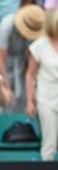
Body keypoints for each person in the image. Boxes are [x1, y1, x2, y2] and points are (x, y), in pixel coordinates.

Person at [0, 4, 45, 112]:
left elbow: (30, 60)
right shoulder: (7, 24)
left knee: (19, 95)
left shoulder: (36, 29)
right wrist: (6, 86)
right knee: (0, 94)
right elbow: (0, 59)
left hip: (17, 60)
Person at [26, 9, 58, 161]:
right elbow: (30, 74)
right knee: (49, 142)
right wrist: (29, 100)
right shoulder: (40, 45)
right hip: (46, 99)